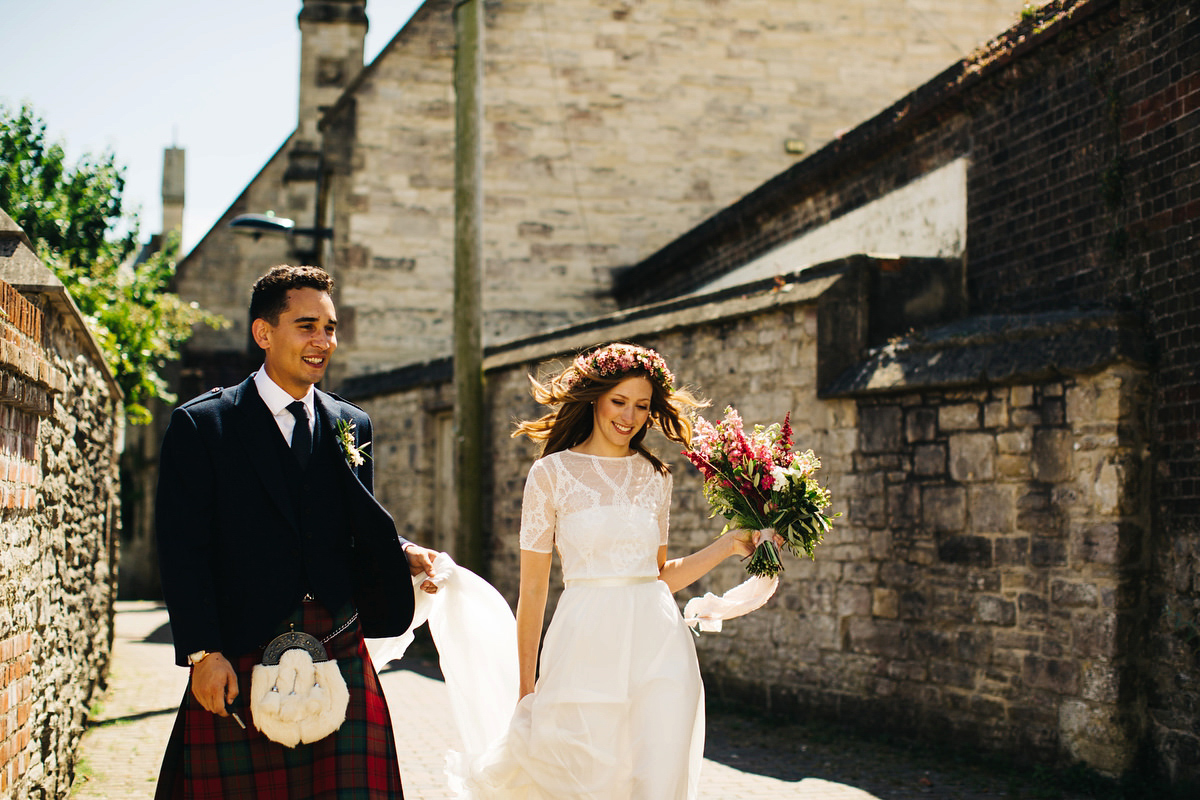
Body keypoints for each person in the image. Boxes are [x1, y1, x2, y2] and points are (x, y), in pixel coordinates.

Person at [154, 264, 440, 799]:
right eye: (307, 326)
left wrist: (401, 552)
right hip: (241, 647)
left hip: (336, 641)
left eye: (330, 328)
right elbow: (181, 549)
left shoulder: (351, 424)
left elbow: (348, 522)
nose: (322, 341)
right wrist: (201, 653)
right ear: (264, 333)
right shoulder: (204, 424)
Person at [460, 342, 772, 800]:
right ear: (595, 399)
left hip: (660, 648)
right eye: (619, 402)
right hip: (584, 646)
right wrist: (526, 690)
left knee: (656, 776)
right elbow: (532, 594)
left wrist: (727, 546)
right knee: (582, 777)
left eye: (642, 406)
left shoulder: (656, 476)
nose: (629, 416)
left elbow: (658, 575)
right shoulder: (550, 475)